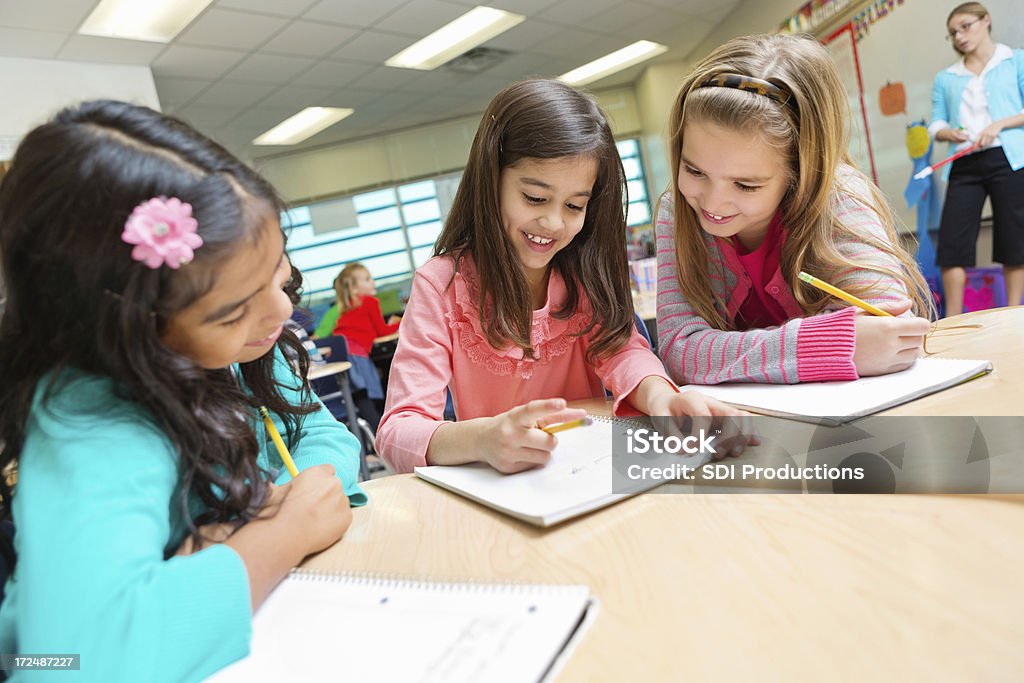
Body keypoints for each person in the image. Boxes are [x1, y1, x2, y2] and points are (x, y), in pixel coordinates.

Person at [0, 100, 366, 682]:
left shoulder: (246, 347)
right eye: (231, 312)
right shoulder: (92, 418)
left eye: (279, 272)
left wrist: (282, 503)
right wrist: (280, 535)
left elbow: (325, 434)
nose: (280, 309)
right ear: (130, 325)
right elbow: (67, 664)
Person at [376, 79, 755, 475]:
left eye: (575, 205)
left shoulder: (581, 270)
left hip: (589, 475)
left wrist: (661, 396)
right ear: (491, 182)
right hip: (503, 490)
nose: (553, 222)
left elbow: (621, 350)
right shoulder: (442, 284)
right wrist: (483, 439)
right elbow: (398, 430)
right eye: (535, 198)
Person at [656, 34, 933, 386]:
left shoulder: (839, 193)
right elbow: (680, 352)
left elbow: (889, 336)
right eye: (694, 171)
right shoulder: (676, 211)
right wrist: (822, 344)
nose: (712, 203)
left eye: (746, 185)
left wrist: (730, 353)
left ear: (800, 173)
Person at [930, 2, 1024, 316]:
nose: (959, 36)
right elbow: (936, 124)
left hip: (1008, 159)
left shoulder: (1015, 61)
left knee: (1015, 238)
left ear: (986, 21)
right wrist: (948, 134)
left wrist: (998, 124)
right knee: (952, 244)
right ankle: (953, 321)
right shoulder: (946, 78)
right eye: (953, 33)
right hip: (965, 162)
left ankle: (1013, 315)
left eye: (965, 26)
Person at [329, 262, 399, 432]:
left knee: (358, 395)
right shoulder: (369, 301)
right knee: (367, 394)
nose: (372, 282)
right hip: (356, 354)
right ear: (354, 288)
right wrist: (402, 322)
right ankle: (381, 434)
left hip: (340, 351)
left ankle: (375, 435)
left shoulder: (349, 306)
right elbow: (381, 332)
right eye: (367, 279)